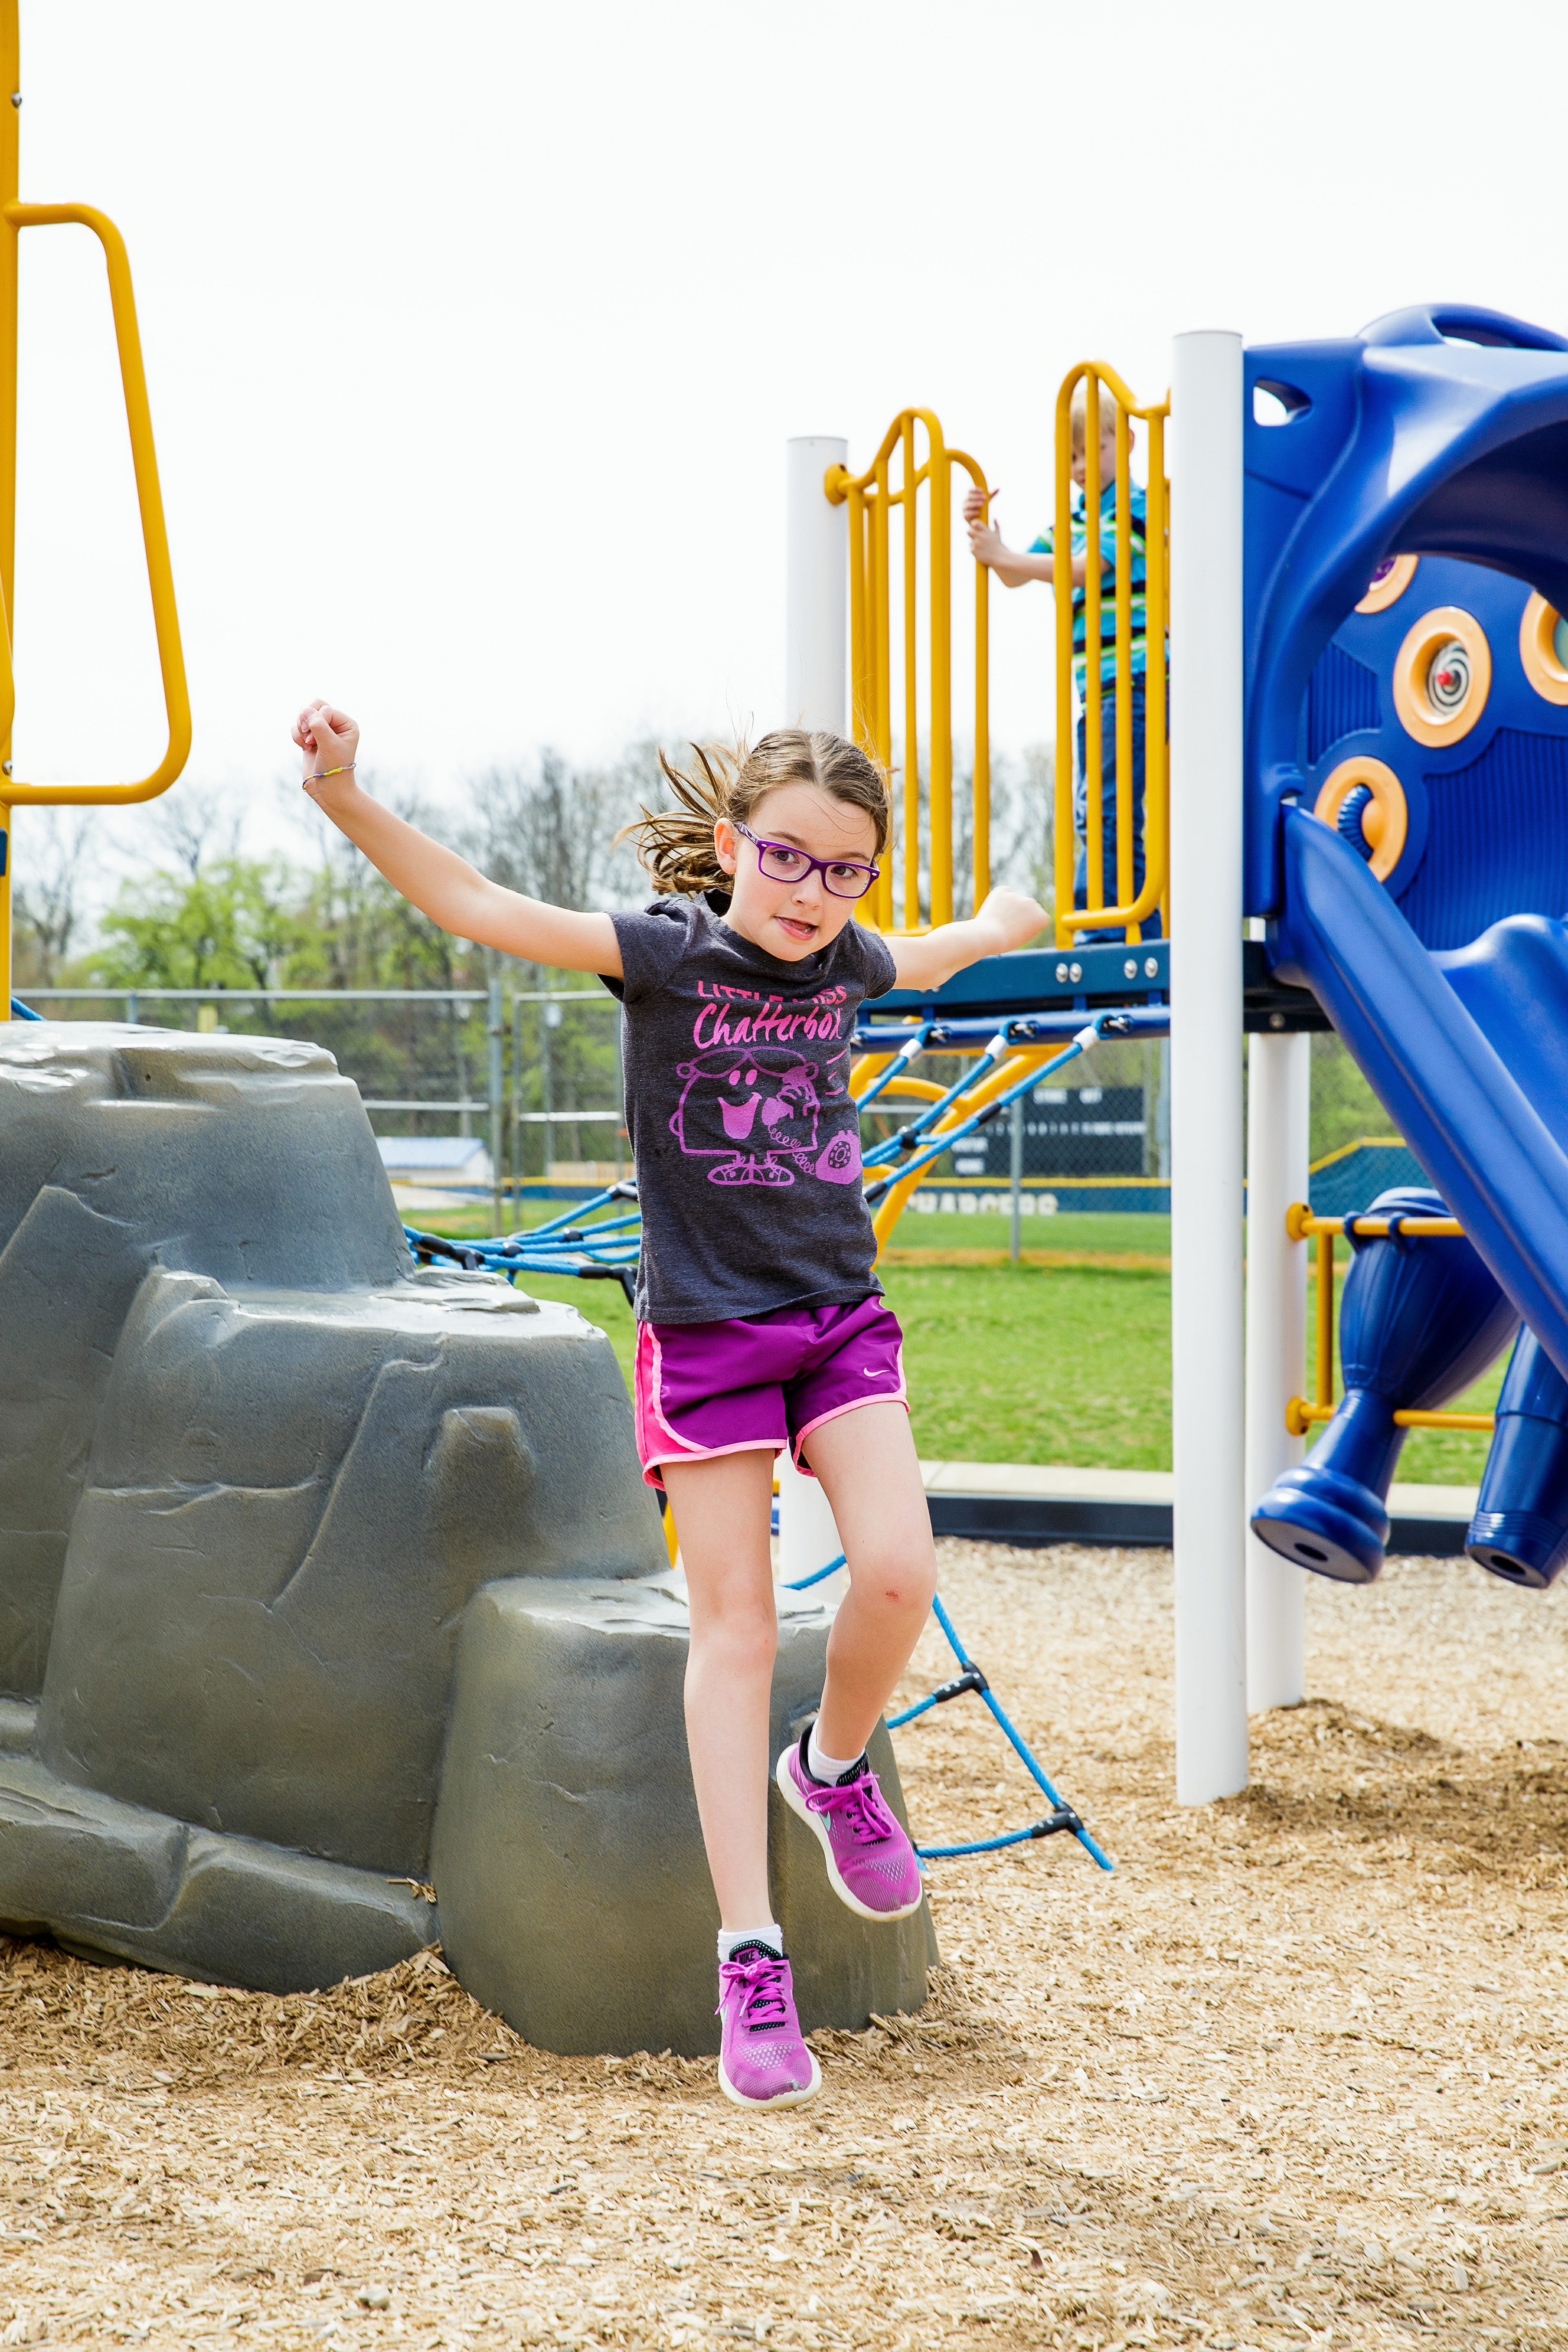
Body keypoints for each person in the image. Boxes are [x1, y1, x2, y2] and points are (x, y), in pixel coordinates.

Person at [291, 703, 1048, 2112]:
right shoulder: (664, 955)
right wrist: (344, 795)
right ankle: (750, 1957)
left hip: (836, 1317)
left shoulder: (849, 961)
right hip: (706, 1337)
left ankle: (832, 1770)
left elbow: (942, 951)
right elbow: (477, 904)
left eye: (846, 870)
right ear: (732, 843)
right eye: (788, 856)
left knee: (898, 1573)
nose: (812, 892)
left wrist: (1008, 916)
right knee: (737, 1631)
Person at [962, 379, 1161, 938]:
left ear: (1126, 443)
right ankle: (1129, 922)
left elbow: (1088, 568)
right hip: (1098, 686)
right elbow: (1015, 573)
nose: (1080, 466)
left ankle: (1113, 924)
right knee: (1093, 808)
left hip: (1137, 678)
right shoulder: (1071, 522)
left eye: (1093, 450)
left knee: (1108, 807)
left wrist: (1007, 555)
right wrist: (984, 535)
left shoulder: (1137, 508)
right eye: (1071, 457)